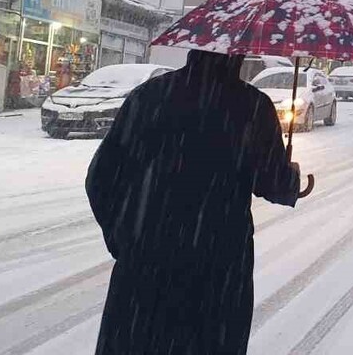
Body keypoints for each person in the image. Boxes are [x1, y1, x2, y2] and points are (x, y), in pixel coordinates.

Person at [86, 49, 304, 354]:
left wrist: (126, 238)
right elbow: (274, 183)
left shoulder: (149, 96)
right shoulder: (251, 107)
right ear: (238, 57)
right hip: (219, 272)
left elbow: (101, 178)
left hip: (145, 269)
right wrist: (291, 176)